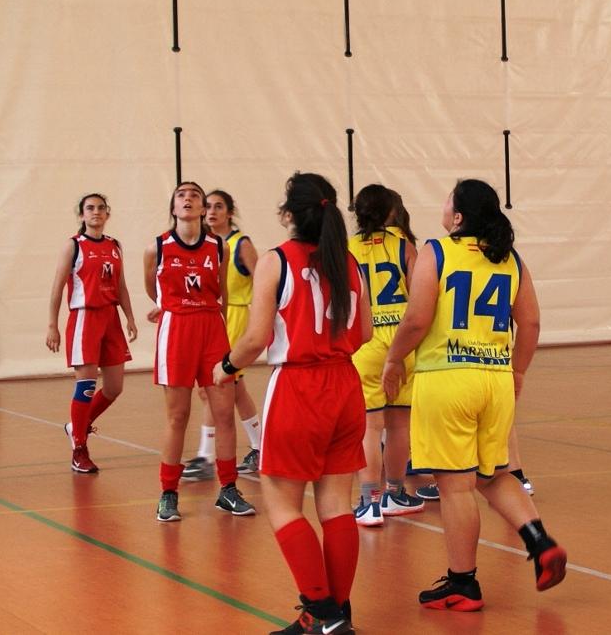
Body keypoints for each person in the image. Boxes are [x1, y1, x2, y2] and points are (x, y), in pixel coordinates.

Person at [382, 179, 566, 611]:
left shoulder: (437, 251)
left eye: (449, 199)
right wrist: (518, 371)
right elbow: (531, 323)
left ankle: (463, 583)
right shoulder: (510, 258)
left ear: (458, 216)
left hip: (448, 379)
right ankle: (540, 542)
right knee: (494, 475)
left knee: (455, 487)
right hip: (495, 380)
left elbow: (416, 319)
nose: (444, 204)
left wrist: (393, 358)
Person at [213, 172, 372, 635]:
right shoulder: (348, 262)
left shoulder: (276, 260)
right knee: (336, 504)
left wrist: (224, 366)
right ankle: (336, 614)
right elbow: (364, 333)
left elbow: (256, 338)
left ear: (288, 214)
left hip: (299, 386)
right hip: (345, 386)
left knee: (283, 504)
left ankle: (322, 613)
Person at [144, 181, 255, 522]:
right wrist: (167, 305)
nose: (188, 199)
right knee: (178, 416)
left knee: (224, 414)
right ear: (173, 208)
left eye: (195, 195)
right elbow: (152, 287)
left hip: (211, 329)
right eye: (181, 195)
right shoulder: (157, 247)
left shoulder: (218, 246)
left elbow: (222, 293)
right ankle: (168, 493)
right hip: (176, 331)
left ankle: (228, 489)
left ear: (203, 208)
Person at [348, 184, 424, 525]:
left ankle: (370, 501)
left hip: (366, 339)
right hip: (402, 340)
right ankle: (395, 492)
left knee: (370, 425)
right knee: (399, 424)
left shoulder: (347, 249)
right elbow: (422, 296)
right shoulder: (404, 246)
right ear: (391, 211)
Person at [46, 192, 138, 474]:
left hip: (110, 317)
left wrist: (129, 317)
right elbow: (57, 286)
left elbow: (121, 285)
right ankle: (79, 448)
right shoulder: (73, 246)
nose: (96, 212)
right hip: (84, 317)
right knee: (86, 385)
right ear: (82, 214)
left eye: (100, 208)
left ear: (107, 213)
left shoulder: (114, 245)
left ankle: (77, 426)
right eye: (90, 208)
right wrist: (52, 325)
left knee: (114, 388)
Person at [183, 189, 261, 480]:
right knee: (233, 390)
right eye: (209, 206)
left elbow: (264, 280)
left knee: (213, 386)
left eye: (219, 206)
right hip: (212, 319)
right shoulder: (205, 245)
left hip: (236, 318)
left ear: (230, 212)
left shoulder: (240, 244)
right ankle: (260, 447)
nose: (212, 211)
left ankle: (206, 456)